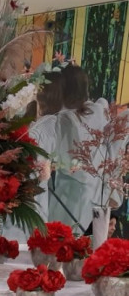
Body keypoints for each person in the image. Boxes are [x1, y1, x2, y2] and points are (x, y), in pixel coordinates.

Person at [48, 65, 112, 230]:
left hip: (69, 192)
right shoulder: (97, 110)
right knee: (89, 240)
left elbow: (55, 155)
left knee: (62, 236)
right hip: (97, 191)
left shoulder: (63, 119)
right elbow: (102, 103)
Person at [29, 71, 64, 221]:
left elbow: (32, 166)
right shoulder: (53, 124)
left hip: (31, 195)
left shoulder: (41, 129)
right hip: (38, 194)